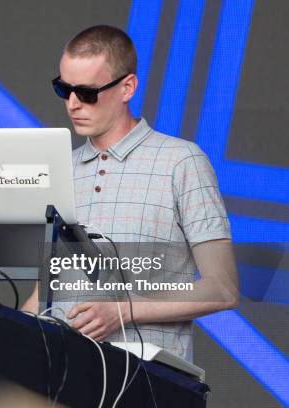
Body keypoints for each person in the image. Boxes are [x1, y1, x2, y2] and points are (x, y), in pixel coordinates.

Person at [23, 25, 238, 360]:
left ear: (127, 87)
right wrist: (8, 332)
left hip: (146, 381)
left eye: (87, 93)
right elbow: (47, 292)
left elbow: (222, 288)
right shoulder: (60, 168)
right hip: (60, 377)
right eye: (64, 89)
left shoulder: (181, 161)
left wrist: (124, 310)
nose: (73, 104)